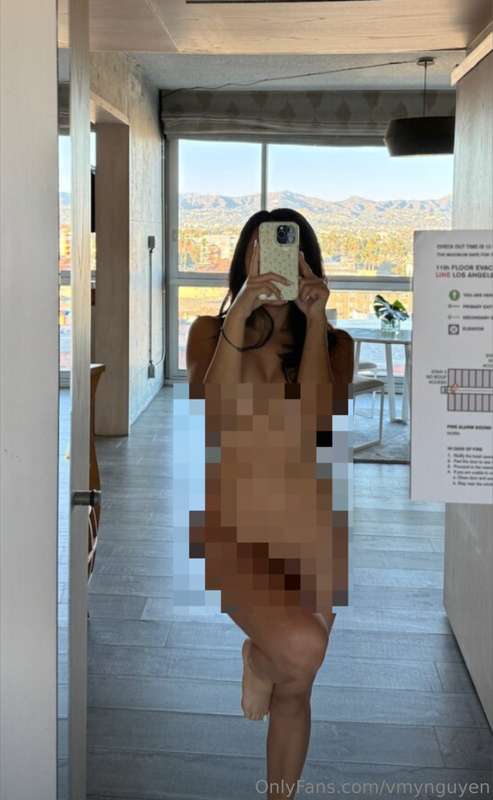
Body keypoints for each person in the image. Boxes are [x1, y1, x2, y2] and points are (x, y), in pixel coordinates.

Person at [186, 208, 354, 800]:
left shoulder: (335, 343)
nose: (280, 265)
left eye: (292, 253)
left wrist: (315, 319)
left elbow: (317, 425)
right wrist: (241, 311)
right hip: (234, 527)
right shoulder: (210, 332)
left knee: (298, 685)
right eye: (266, 251)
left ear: (308, 263)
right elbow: (214, 410)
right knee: (301, 648)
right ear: (247, 257)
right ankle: (258, 660)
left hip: (309, 527)